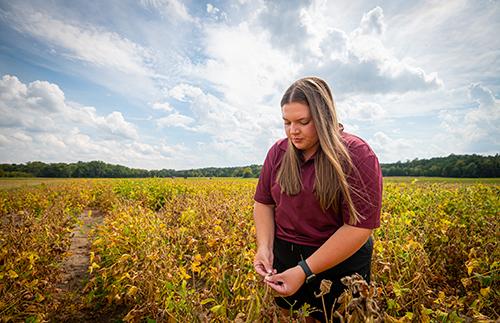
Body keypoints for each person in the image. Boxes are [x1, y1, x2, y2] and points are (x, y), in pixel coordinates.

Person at [253, 76, 382, 322]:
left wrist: (304, 271)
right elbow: (264, 202)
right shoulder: (278, 152)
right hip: (286, 254)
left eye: (303, 121)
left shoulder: (357, 155)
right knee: (292, 315)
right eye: (287, 122)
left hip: (340, 261)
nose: (293, 131)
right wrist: (265, 248)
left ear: (325, 118)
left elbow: (360, 227)